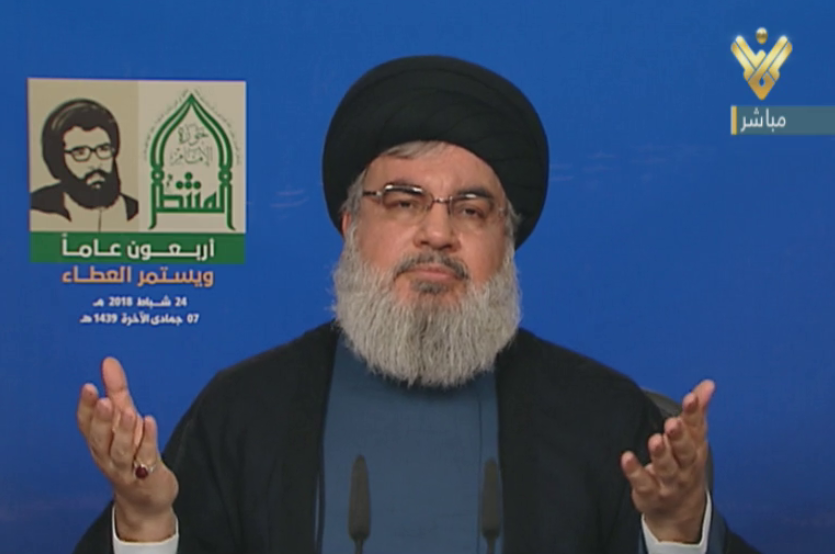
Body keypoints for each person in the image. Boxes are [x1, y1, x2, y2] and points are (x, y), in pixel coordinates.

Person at [73, 55, 760, 554]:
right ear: (350, 226)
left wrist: (678, 531)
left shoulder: (602, 416)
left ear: (506, 242)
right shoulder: (244, 412)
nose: (437, 232)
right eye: (403, 202)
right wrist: (145, 524)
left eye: (471, 209)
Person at [31, 98, 138, 232]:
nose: (95, 163)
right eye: (80, 153)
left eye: (103, 149)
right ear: (58, 160)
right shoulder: (34, 210)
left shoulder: (136, 213)